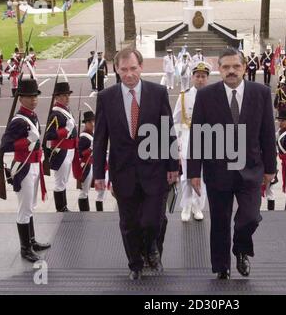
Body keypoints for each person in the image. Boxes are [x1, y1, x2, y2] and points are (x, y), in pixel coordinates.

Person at [187, 48, 276, 279]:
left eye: (236, 66)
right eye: (226, 67)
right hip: (218, 171)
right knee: (219, 221)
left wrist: (270, 168)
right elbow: (198, 135)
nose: (231, 71)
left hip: (251, 169)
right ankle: (221, 267)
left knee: (250, 217)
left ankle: (241, 249)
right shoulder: (206, 96)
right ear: (219, 69)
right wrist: (194, 171)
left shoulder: (262, 93)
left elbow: (267, 132)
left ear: (245, 67)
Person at [93, 47, 179, 280]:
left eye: (133, 68)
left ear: (141, 67)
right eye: (124, 70)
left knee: (154, 219)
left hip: (156, 170)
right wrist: (98, 173)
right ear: (117, 71)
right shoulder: (106, 98)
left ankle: (153, 249)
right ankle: (135, 264)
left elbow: (168, 132)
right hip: (123, 174)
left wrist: (173, 166)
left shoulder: (158, 93)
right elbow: (100, 139)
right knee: (129, 223)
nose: (129, 74)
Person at [0, 79, 50, 262]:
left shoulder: (33, 115)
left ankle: (32, 241)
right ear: (21, 98)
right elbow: (5, 145)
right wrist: (28, 141)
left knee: (30, 206)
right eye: (29, 96)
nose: (33, 99)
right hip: (24, 167)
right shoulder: (18, 120)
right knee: (24, 209)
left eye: (35, 96)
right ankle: (25, 248)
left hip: (35, 165)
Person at [173, 61, 211, 222]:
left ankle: (198, 206)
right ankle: (186, 206)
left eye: (203, 76)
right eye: (197, 76)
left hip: (208, 140)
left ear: (207, 78)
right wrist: (177, 143)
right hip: (188, 140)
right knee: (187, 176)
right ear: (192, 77)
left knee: (203, 176)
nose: (200, 79)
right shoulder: (184, 96)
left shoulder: (214, 96)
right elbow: (175, 121)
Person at [45, 81, 81, 212]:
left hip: (70, 150)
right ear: (57, 97)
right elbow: (49, 135)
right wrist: (66, 130)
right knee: (60, 182)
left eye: (68, 95)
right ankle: (60, 208)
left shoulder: (66, 110)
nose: (67, 98)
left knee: (64, 180)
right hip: (62, 151)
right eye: (64, 95)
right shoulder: (56, 113)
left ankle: (64, 206)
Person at [77, 111, 107, 212]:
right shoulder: (83, 137)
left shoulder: (93, 134)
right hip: (86, 165)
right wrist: (90, 149)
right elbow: (79, 154)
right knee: (84, 192)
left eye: (93, 121)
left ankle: (99, 211)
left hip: (95, 164)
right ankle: (84, 212)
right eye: (90, 122)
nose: (92, 124)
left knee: (101, 190)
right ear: (86, 123)